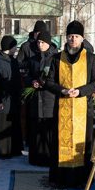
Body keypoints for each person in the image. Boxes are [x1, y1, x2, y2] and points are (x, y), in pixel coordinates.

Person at [45, 20, 95, 188]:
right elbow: (48, 82)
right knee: (60, 143)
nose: (73, 40)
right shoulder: (57, 58)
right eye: (70, 36)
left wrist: (81, 91)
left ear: (82, 38)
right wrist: (62, 90)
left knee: (82, 145)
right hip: (62, 108)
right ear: (66, 38)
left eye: (76, 36)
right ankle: (60, 179)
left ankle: (81, 180)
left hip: (83, 110)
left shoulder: (90, 58)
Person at [25, 30, 56, 166]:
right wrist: (32, 81)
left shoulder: (55, 58)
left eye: (43, 42)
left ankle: (48, 158)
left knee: (48, 129)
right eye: (38, 42)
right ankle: (36, 158)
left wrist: (45, 83)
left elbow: (58, 79)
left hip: (49, 99)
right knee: (36, 128)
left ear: (48, 43)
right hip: (36, 99)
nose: (40, 44)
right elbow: (27, 75)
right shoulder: (33, 59)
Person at [0, 35, 22, 159]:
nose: (16, 49)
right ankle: (2, 151)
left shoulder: (12, 60)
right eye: (15, 47)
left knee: (13, 124)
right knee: (3, 124)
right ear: (10, 47)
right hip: (3, 100)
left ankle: (13, 149)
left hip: (13, 99)